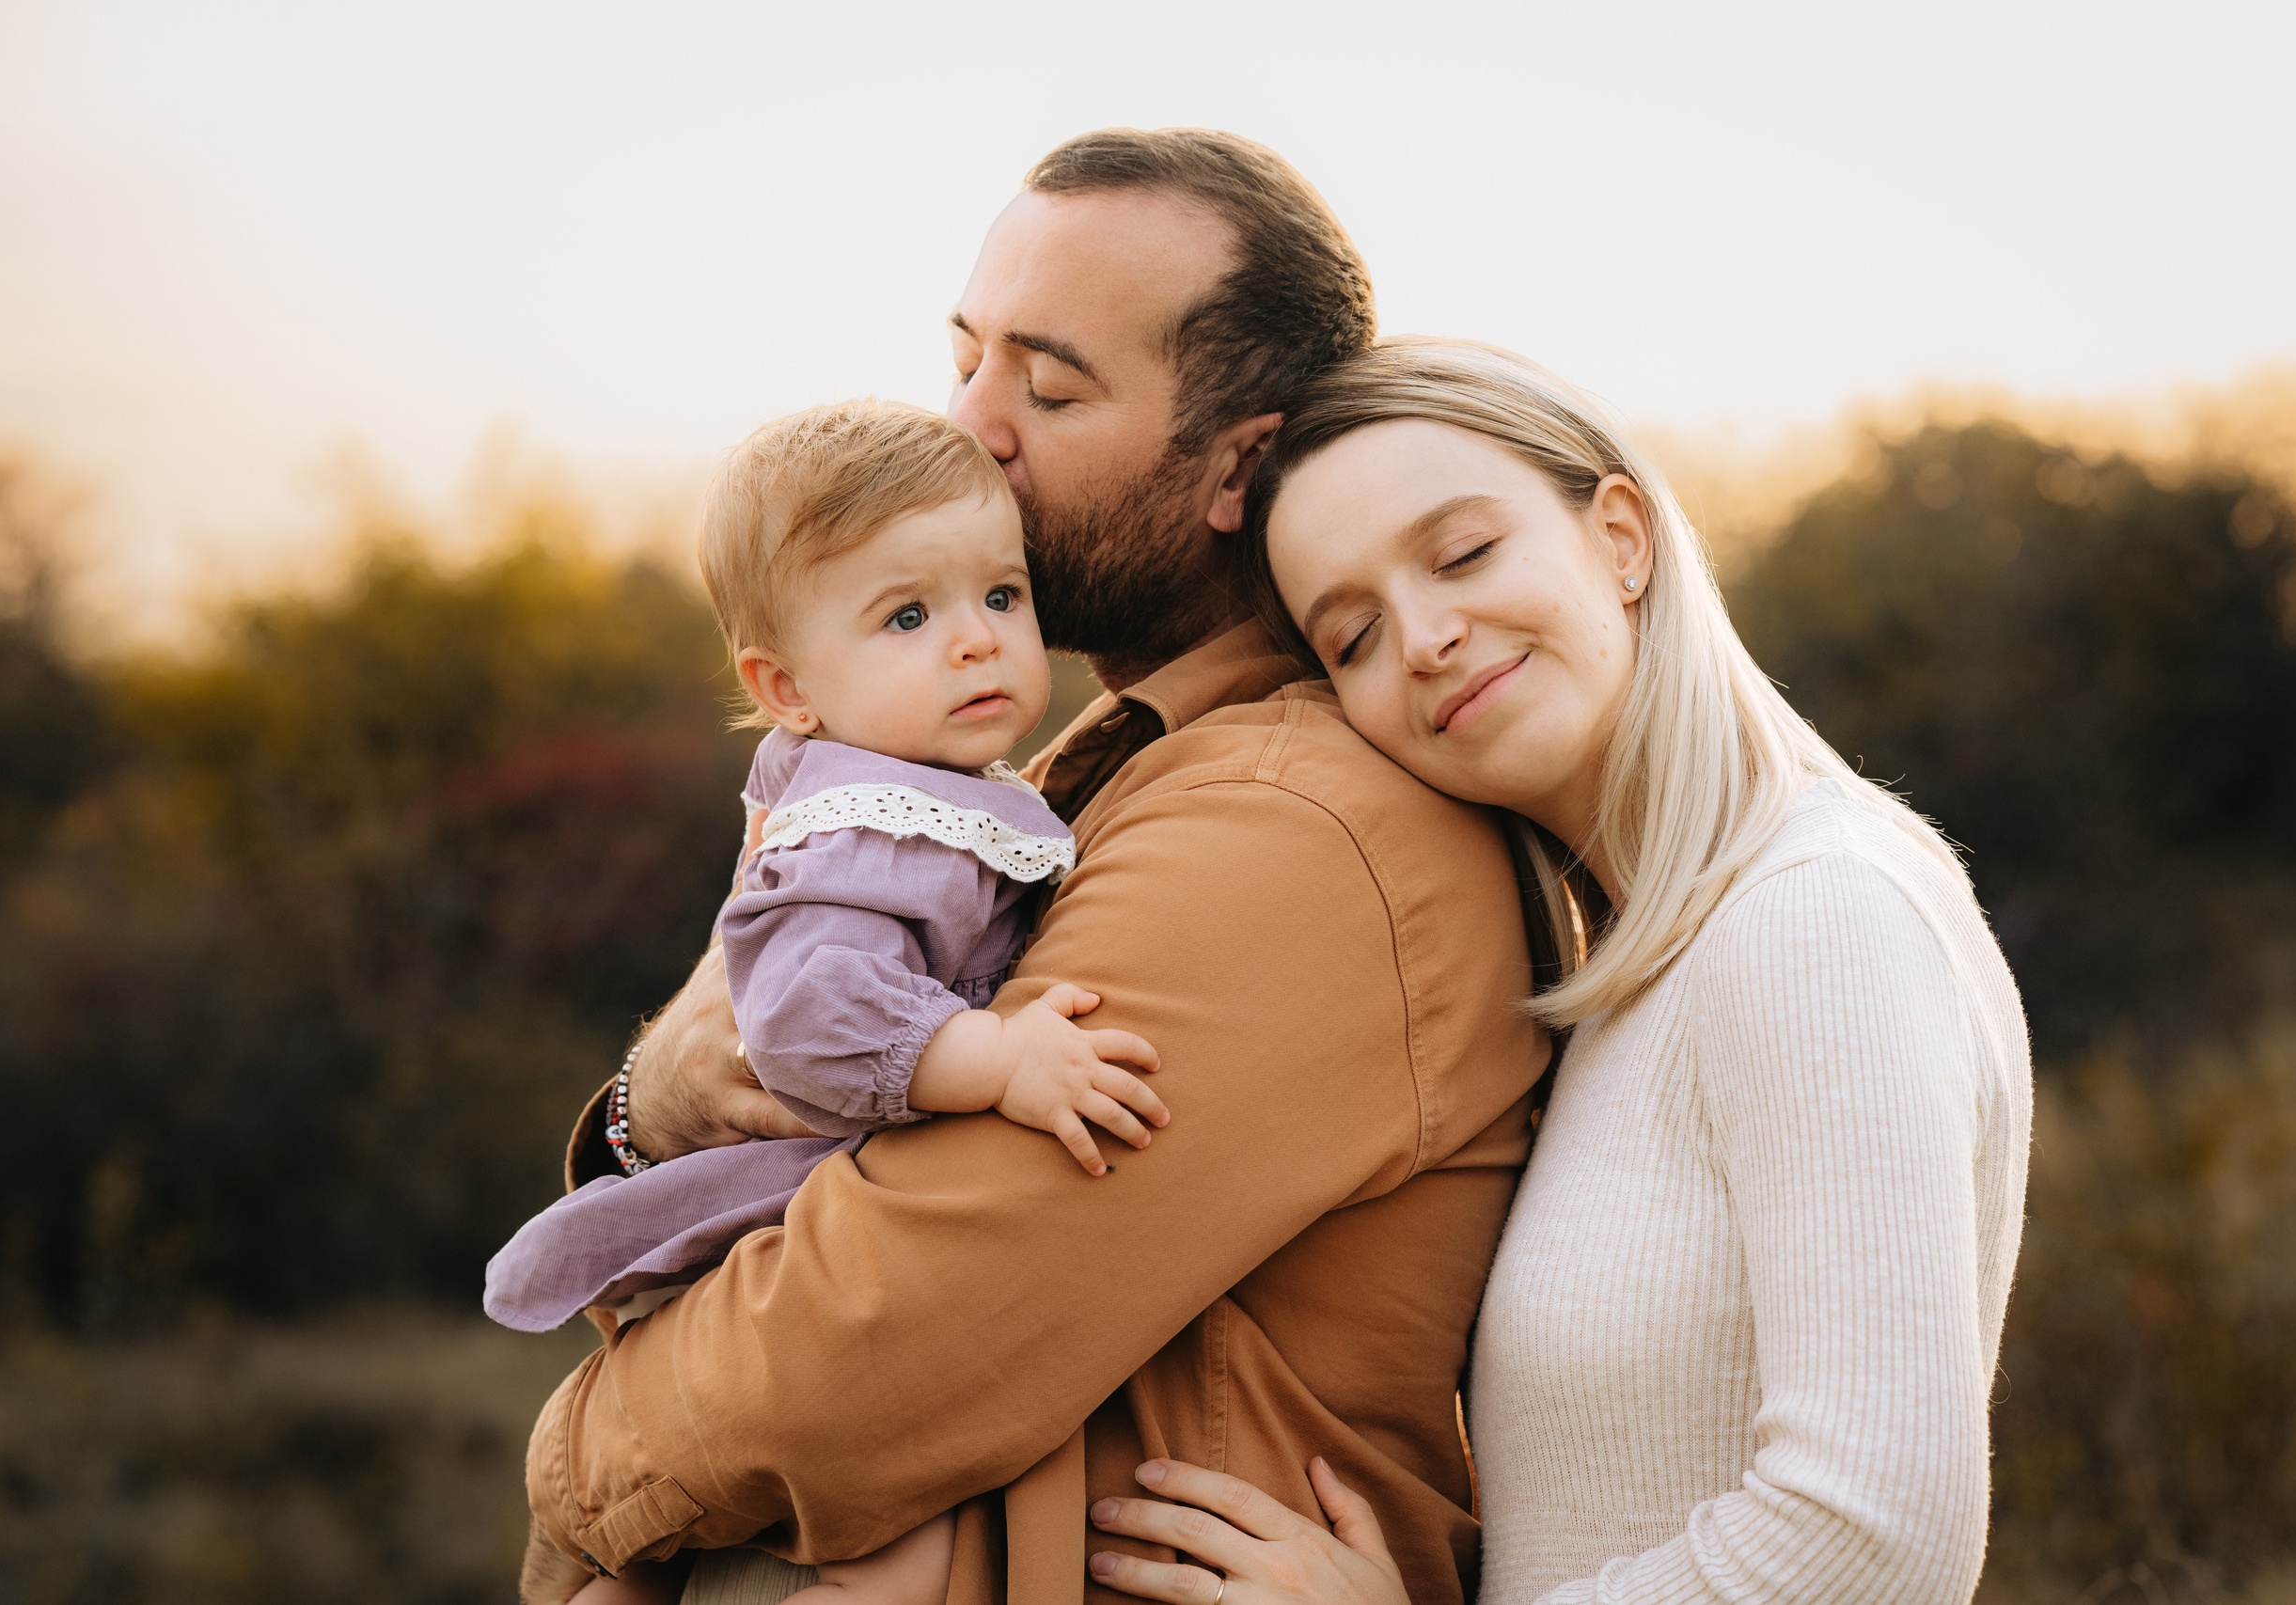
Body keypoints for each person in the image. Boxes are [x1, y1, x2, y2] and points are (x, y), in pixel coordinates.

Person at [517, 134, 1556, 1605]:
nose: (972, 427)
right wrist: (650, 1103)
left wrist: (571, 1476)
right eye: (967, 361)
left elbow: (856, 1355)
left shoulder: (1289, 827)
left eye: (1050, 390)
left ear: (1239, 465)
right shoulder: (1052, 777)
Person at [1079, 339, 2035, 1605]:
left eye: (1464, 554)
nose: (1426, 639)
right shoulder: (1639, 964)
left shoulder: (1818, 914)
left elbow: (1873, 1536)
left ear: (1622, 538)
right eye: (1354, 636)